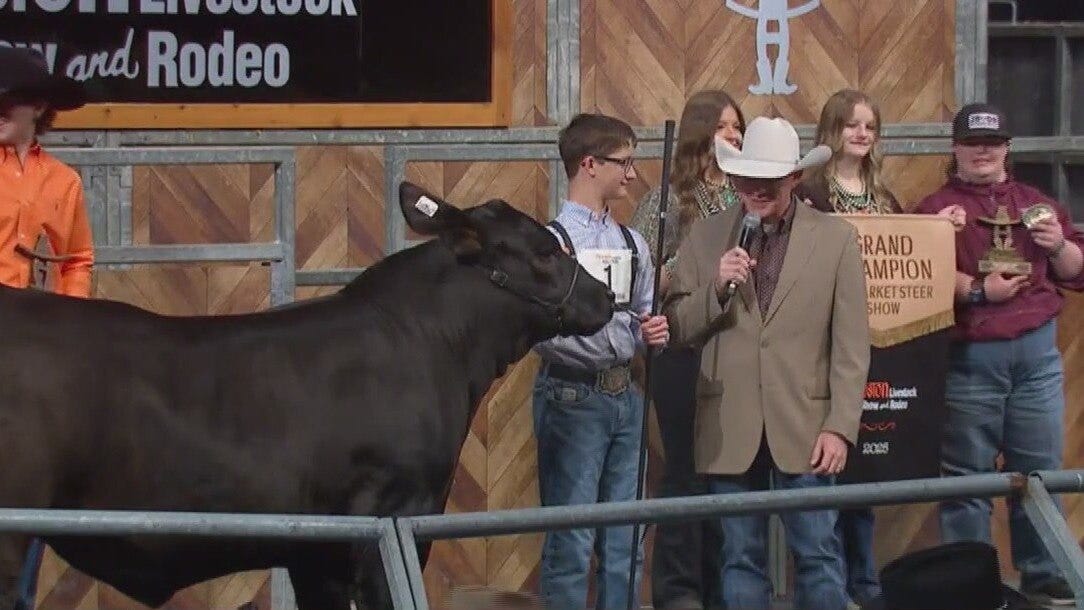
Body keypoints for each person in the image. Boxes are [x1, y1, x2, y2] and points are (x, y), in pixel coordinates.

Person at [665, 116, 870, 610]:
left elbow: (851, 345)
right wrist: (716, 286)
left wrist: (840, 427)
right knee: (739, 557)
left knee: (819, 554)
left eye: (769, 181)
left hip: (807, 426)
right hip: (729, 423)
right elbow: (679, 328)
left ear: (795, 179)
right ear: (734, 179)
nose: (756, 190)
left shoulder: (836, 239)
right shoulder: (706, 237)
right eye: (747, 179)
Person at [799, 89, 965, 608]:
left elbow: (906, 244)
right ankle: (826, 592)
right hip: (821, 349)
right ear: (831, 131)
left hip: (880, 348)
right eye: (851, 125)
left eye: (870, 126)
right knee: (825, 476)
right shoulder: (809, 195)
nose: (862, 134)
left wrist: (942, 231)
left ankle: (865, 586)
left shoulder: (884, 197)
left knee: (869, 469)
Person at [915, 102, 1083, 607]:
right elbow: (920, 278)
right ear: (956, 148)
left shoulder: (1037, 203)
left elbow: (1076, 270)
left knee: (1042, 472)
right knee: (967, 480)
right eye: (973, 142)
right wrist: (978, 291)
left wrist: (1055, 247)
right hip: (971, 357)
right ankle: (972, 586)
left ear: (1007, 147)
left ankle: (1044, 575)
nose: (983, 151)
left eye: (992, 142)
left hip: (1037, 357)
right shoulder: (935, 209)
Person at [532, 112, 669, 610]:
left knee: (626, 543)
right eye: (623, 162)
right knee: (570, 542)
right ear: (589, 164)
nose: (631, 173)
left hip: (625, 396)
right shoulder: (551, 245)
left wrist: (652, 330)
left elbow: (644, 313)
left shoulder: (633, 242)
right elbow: (539, 332)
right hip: (572, 396)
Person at [628, 89, 745, 610]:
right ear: (702, 133)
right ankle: (678, 592)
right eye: (725, 128)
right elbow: (644, 278)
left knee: (727, 473)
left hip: (736, 350)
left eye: (739, 129)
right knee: (683, 473)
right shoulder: (669, 201)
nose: (735, 136)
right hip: (683, 349)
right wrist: (694, 269)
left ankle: (720, 590)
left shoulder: (747, 196)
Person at [0, 46, 95, 610]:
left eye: (9, 97)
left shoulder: (60, 183)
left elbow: (76, 259)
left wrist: (68, 333)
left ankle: (16, 596)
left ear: (38, 106)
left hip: (21, 347)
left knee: (26, 474)